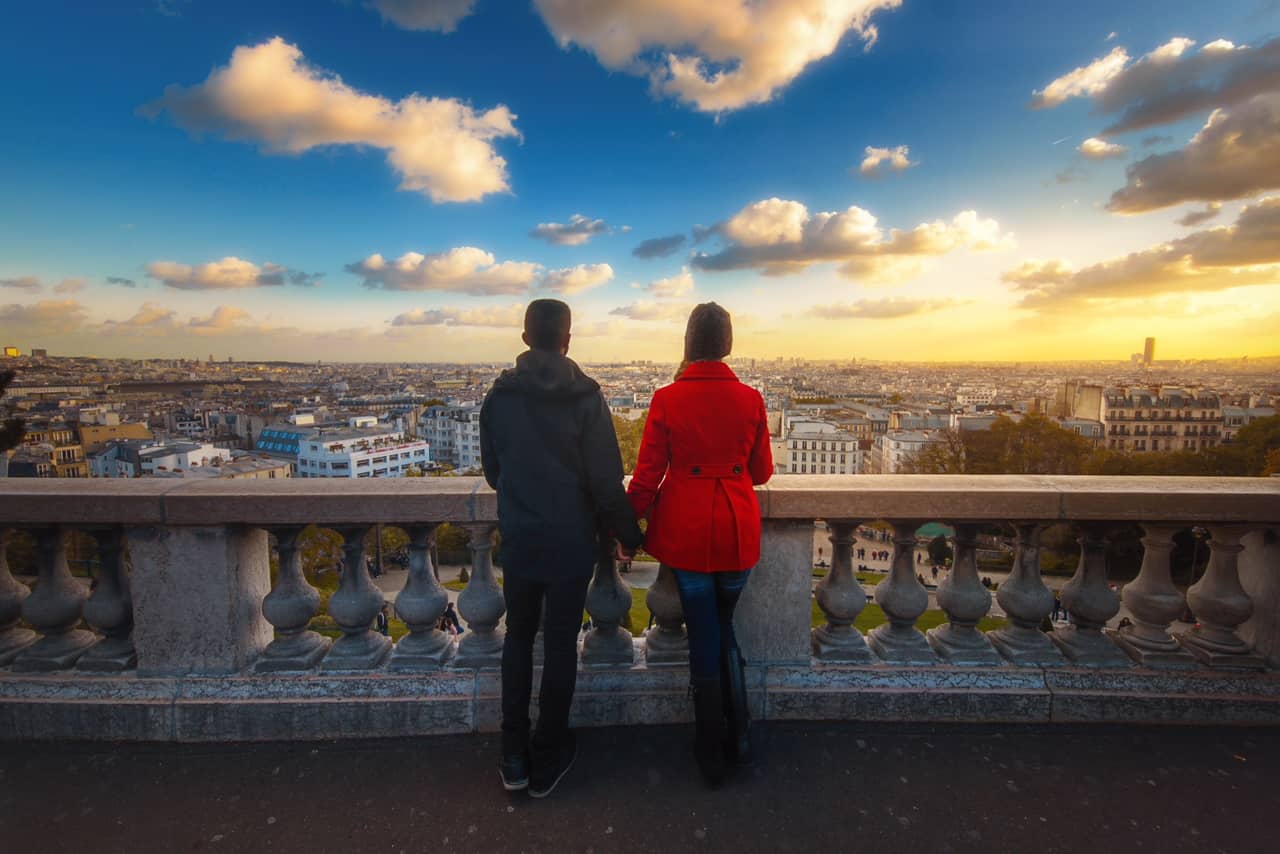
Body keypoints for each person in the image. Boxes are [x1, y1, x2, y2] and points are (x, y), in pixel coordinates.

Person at [481, 298, 644, 799]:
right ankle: (549, 753)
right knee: (558, 647)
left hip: (523, 536)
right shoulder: (587, 398)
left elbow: (493, 472)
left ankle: (513, 755)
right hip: (572, 539)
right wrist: (629, 533)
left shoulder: (499, 398)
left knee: (517, 639)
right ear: (568, 339)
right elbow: (605, 480)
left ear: (525, 337)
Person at [625, 302, 773, 788]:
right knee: (723, 627)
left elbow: (647, 476)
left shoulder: (667, 398)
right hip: (736, 528)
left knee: (705, 633)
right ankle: (741, 735)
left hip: (687, 532)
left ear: (689, 342)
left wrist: (626, 528)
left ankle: (711, 744)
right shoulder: (752, 399)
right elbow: (761, 473)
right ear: (727, 343)